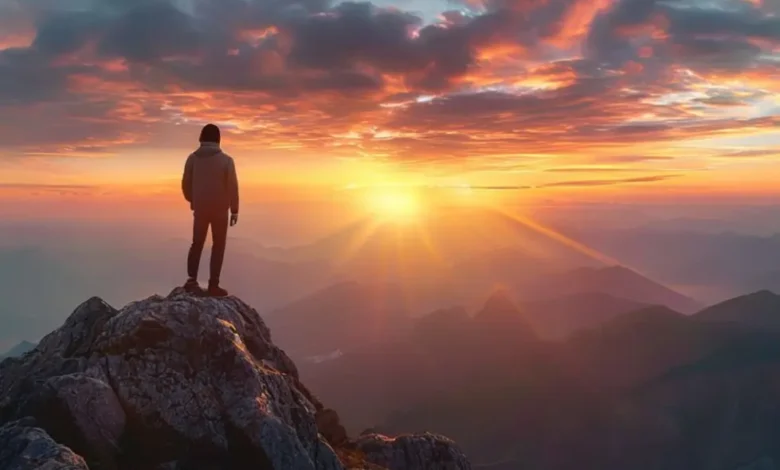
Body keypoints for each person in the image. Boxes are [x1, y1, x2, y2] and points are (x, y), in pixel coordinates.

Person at [181, 124, 239, 297]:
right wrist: (234, 210)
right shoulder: (227, 161)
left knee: (197, 243)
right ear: (218, 140)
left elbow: (185, 184)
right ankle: (214, 285)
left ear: (201, 138)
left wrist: (194, 200)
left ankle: (192, 281)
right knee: (218, 245)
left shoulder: (192, 159)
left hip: (200, 208)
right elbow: (232, 187)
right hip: (221, 209)